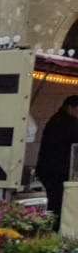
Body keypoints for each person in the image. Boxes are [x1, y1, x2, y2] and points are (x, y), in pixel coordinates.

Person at [36, 94, 78, 228]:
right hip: (57, 172)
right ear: (71, 108)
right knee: (57, 205)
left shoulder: (56, 120)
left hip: (50, 170)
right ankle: (54, 229)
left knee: (54, 204)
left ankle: (51, 228)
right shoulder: (66, 122)